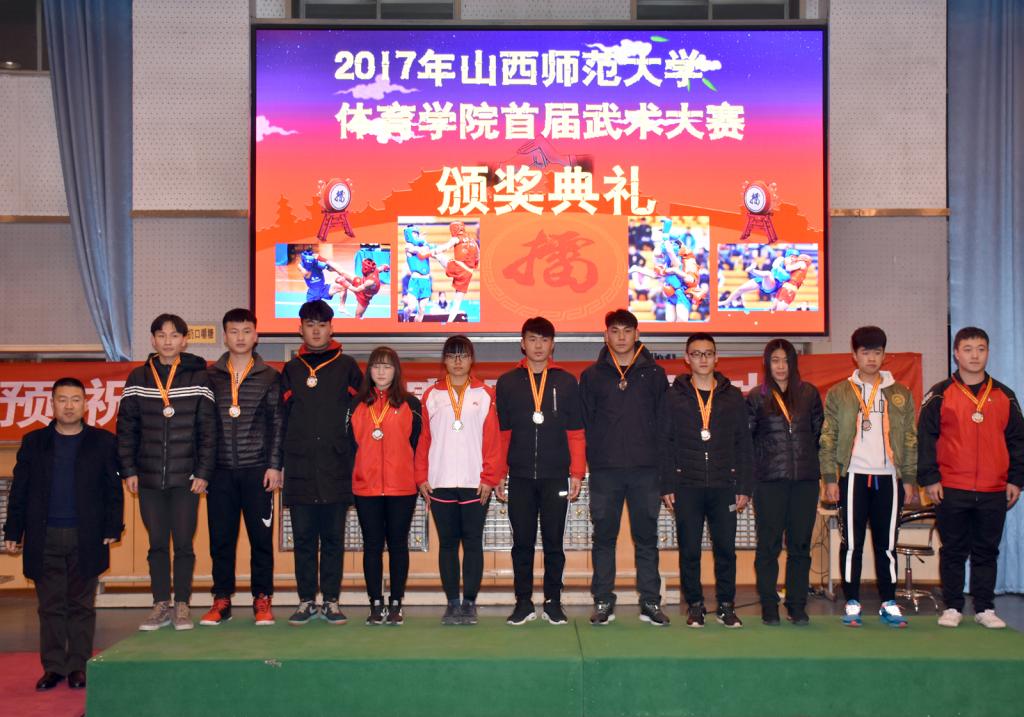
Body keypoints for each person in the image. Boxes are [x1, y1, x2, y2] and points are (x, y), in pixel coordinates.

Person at [4, 378, 123, 691]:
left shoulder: (102, 441)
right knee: (50, 606)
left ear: (85, 404)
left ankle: (78, 666)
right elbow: (20, 489)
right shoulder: (34, 442)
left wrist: (113, 527)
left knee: (82, 606)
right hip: (43, 535)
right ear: (52, 404)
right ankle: (54, 667)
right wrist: (13, 530)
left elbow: (113, 489)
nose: (69, 406)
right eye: (62, 399)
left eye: (75, 399)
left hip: (87, 535)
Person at [917, 327, 1024, 629]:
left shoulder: (1005, 395)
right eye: (967, 349)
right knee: (953, 550)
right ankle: (952, 606)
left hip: (994, 488)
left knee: (986, 551)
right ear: (956, 353)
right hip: (951, 487)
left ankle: (985, 608)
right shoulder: (939, 394)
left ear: (988, 352)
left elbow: (1018, 441)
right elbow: (925, 439)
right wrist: (930, 478)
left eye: (980, 349)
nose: (974, 355)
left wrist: (1016, 480)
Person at [117, 314, 216, 631]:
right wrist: (128, 470)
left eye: (174, 335)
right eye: (161, 335)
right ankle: (160, 604)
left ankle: (182, 604)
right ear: (153, 340)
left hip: (187, 478)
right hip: (147, 478)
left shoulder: (200, 378)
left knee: (184, 543)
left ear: (184, 340)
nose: (168, 341)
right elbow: (126, 429)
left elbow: (208, 431)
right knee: (157, 543)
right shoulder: (137, 377)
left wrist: (203, 472)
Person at [820, 326, 917, 628]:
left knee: (887, 545)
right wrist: (830, 477)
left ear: (884, 355)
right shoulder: (839, 392)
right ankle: (852, 602)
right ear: (854, 355)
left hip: (888, 477)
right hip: (853, 476)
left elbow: (910, 438)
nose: (871, 358)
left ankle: (889, 602)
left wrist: (909, 477)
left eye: (877, 352)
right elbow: (828, 436)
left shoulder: (900, 393)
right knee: (852, 544)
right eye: (865, 352)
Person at [580, 309, 670, 626]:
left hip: (646, 471)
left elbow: (665, 424)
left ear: (637, 334)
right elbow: (585, 423)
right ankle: (603, 600)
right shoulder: (592, 376)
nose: (621, 337)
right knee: (604, 538)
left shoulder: (655, 375)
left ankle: (650, 601)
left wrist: (664, 470)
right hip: (605, 472)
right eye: (615, 331)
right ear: (606, 335)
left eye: (627, 331)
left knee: (646, 538)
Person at [496, 317, 586, 626]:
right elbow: (502, 435)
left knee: (553, 543)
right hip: (520, 476)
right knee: (521, 543)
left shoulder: (566, 381)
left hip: (555, 475)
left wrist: (577, 473)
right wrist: (499, 473)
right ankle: (523, 602)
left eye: (544, 340)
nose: (538, 345)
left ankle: (553, 601)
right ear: (522, 343)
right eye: (532, 339)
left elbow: (576, 433)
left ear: (552, 345)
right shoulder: (508, 382)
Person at [659, 333, 753, 628]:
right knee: (689, 550)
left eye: (708, 353)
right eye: (697, 353)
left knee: (725, 549)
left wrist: (744, 486)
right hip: (686, 485)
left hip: (725, 485)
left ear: (716, 358)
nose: (703, 359)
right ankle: (695, 606)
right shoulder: (673, 397)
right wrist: (667, 484)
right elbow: (665, 442)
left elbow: (743, 442)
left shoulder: (732, 396)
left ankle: (726, 605)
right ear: (686, 359)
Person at [280, 299, 363, 625]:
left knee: (332, 540)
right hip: (300, 468)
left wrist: (353, 459)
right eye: (310, 325)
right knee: (302, 539)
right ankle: (305, 600)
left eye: (322, 325)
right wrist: (279, 463)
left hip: (336, 467)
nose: (316, 331)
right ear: (300, 329)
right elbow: (282, 419)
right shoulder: (291, 370)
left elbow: (360, 417)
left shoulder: (348, 367)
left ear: (332, 328)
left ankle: (330, 600)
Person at [200, 308, 284, 627]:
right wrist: (204, 469)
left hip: (257, 470)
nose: (240, 337)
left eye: (246, 331)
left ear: (256, 336)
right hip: (220, 471)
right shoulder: (209, 377)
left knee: (261, 540)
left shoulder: (270, 376)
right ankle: (222, 599)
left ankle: (262, 598)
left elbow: (277, 423)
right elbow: (202, 426)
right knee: (221, 539)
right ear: (225, 336)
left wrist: (274, 465)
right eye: (234, 331)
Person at [414, 335, 505, 625]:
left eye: (462, 355)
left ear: (471, 360)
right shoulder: (432, 395)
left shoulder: (485, 394)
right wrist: (421, 476)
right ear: (444, 360)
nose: (457, 361)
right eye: (452, 355)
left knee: (473, 542)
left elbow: (493, 440)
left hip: (474, 482)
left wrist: (490, 477)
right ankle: (452, 603)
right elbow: (424, 439)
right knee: (448, 543)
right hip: (439, 480)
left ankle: (470, 603)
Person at [746, 339, 823, 626]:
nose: (781, 366)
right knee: (768, 546)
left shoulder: (809, 394)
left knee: (800, 545)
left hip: (804, 481)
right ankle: (769, 605)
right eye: (775, 360)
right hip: (769, 482)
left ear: (794, 363)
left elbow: (819, 434)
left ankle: (796, 605)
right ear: (767, 364)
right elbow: (747, 441)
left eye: (786, 360)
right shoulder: (757, 396)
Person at [350, 346, 422, 626]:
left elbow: (417, 444)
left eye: (387, 366)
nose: (381, 371)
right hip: (365, 487)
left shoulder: (411, 404)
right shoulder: (355, 404)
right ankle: (375, 603)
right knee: (371, 545)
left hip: (401, 487)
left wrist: (415, 476)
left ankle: (396, 603)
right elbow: (349, 446)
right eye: (376, 366)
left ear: (396, 371)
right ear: (369, 370)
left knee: (398, 545)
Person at [430, 221, 479, 322]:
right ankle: (449, 323)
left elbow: (445, 247)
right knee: (457, 303)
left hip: (458, 268)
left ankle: (428, 250)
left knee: (439, 256)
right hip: (468, 274)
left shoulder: (456, 238)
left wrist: (435, 251)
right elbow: (477, 257)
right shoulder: (473, 241)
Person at [403, 225, 433, 322]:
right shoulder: (408, 246)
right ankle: (405, 318)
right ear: (409, 235)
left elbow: (431, 250)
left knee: (422, 310)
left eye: (417, 233)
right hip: (415, 281)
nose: (416, 235)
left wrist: (424, 243)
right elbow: (418, 250)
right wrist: (424, 242)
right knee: (411, 307)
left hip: (426, 282)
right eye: (414, 233)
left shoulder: (424, 245)